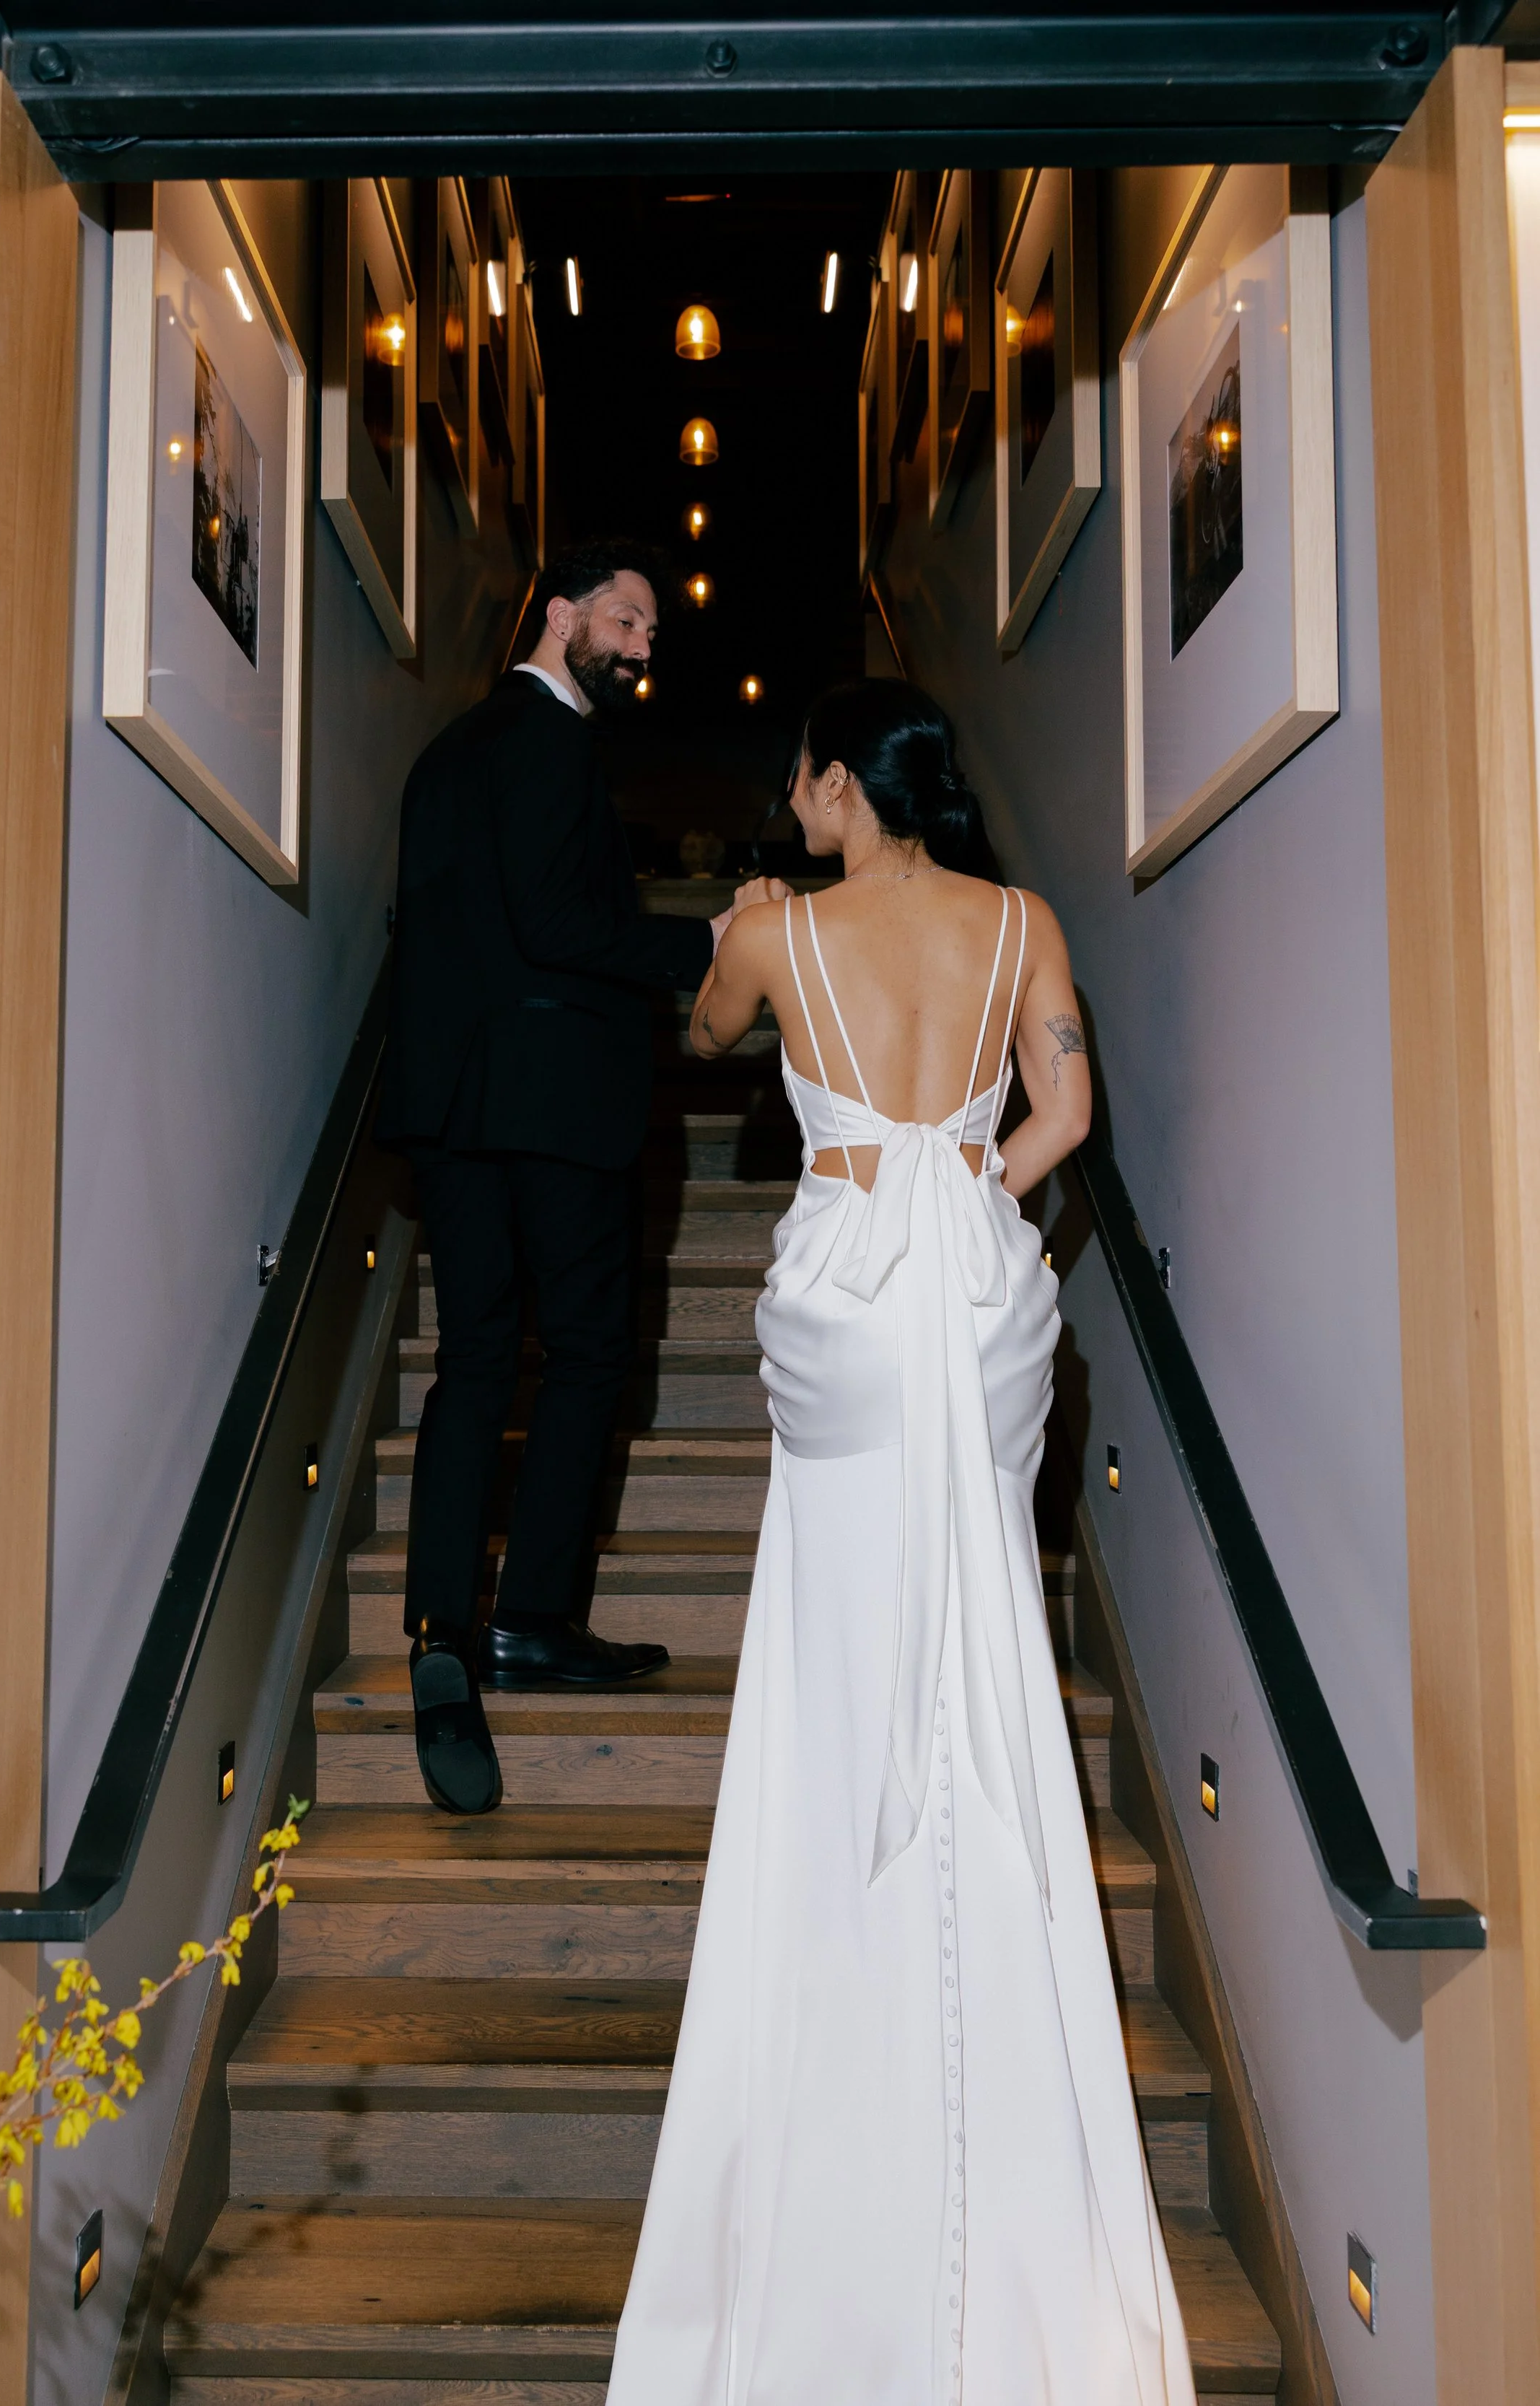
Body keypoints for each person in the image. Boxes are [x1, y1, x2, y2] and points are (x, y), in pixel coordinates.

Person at [606, 681, 1196, 2404]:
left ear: (841, 783)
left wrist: (729, 936)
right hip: (976, 1287)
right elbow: (1063, 1122)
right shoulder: (1021, 922)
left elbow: (703, 1037)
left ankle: (838, 1950)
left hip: (848, 1298)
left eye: (797, 770)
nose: (785, 797)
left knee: (842, 1627)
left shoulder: (780, 927)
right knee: (985, 1617)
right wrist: (965, 1188)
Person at [376, 539, 784, 1816]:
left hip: (454, 1111)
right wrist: (704, 937)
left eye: (651, 630)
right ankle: (537, 1614)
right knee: (594, 1350)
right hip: (556, 1111)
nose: (644, 643)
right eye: (625, 618)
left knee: (478, 1358)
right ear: (558, 616)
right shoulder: (552, 748)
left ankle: (446, 1624)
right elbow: (558, 928)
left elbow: (454, 932)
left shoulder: (446, 754)